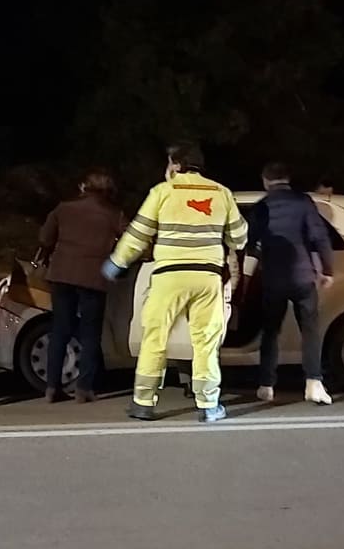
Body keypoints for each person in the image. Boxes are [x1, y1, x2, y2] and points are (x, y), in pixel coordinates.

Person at [102, 142, 247, 423]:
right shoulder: (222, 193)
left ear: (177, 165)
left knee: (155, 338)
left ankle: (143, 403)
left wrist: (117, 262)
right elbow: (239, 237)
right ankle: (209, 406)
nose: (167, 169)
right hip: (208, 277)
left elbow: (138, 234)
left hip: (170, 276)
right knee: (205, 342)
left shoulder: (162, 192)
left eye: (169, 163)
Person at [248, 162, 336, 406]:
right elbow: (320, 237)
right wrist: (327, 270)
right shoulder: (304, 203)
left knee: (270, 332)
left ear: (265, 181)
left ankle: (266, 385)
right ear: (288, 179)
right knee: (309, 331)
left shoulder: (261, 208)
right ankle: (314, 384)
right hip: (303, 278)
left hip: (273, 279)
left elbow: (248, 241)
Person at [36, 168, 126, 402]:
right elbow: (130, 241)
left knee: (60, 330)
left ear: (84, 188)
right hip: (94, 277)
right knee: (90, 334)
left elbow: (45, 238)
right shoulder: (114, 214)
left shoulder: (63, 209)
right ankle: (84, 388)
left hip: (62, 274)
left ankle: (52, 387)